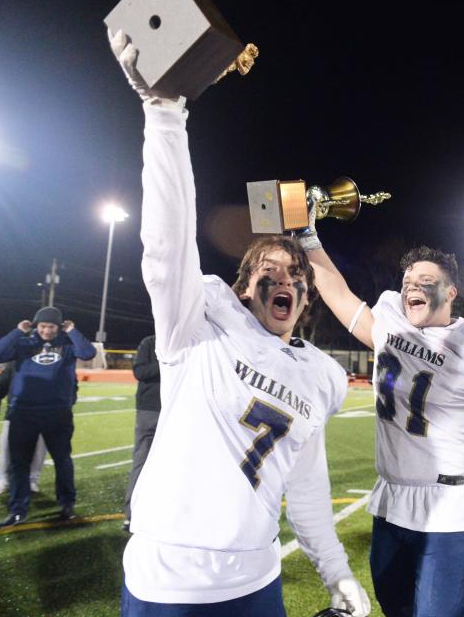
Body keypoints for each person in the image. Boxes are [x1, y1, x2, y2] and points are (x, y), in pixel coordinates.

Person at [108, 30, 370, 616]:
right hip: (168, 583)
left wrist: (336, 572)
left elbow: (304, 490)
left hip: (258, 581)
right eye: (268, 271)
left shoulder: (321, 376)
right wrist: (164, 116)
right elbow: (166, 246)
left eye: (296, 276)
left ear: (307, 301)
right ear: (241, 287)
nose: (287, 280)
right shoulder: (199, 326)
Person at [298, 216, 464, 616]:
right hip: (389, 502)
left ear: (450, 292)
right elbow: (334, 287)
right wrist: (307, 236)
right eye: (407, 282)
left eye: (424, 281)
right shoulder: (389, 326)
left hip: (445, 510)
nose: (411, 288)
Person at [0, 306, 96, 528]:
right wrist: (18, 332)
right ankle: (18, 511)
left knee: (62, 461)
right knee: (19, 464)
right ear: (37, 325)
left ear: (59, 326)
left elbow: (88, 353)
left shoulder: (67, 343)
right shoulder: (23, 343)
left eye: (51, 326)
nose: (46, 330)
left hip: (57, 413)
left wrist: (72, 331)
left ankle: (67, 505)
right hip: (23, 413)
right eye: (43, 326)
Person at [0, 363, 48, 496]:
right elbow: (1, 384)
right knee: (7, 447)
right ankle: (4, 480)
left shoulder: (52, 362)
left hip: (43, 413)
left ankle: (32, 480)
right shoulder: (15, 363)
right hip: (16, 412)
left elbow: (66, 384)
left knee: (39, 448)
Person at [122, 334, 160, 531]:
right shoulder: (149, 342)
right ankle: (132, 513)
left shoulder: (188, 341)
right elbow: (140, 371)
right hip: (150, 410)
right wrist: (167, 361)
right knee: (142, 461)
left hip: (178, 408)